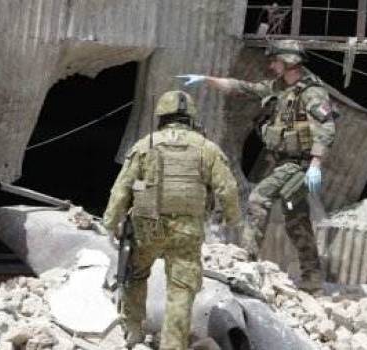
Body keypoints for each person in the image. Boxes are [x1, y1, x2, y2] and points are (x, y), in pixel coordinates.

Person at [176, 39, 337, 293]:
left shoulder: (311, 92)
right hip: (284, 162)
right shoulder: (280, 87)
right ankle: (313, 277)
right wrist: (207, 79)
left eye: (275, 61)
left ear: (288, 62)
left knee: (258, 198)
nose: (272, 65)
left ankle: (245, 259)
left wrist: (316, 164)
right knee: (296, 218)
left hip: (299, 164)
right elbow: (244, 88)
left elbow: (327, 128)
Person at [101, 91, 241, 349]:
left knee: (136, 273)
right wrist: (233, 220)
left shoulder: (145, 145)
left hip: (147, 228)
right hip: (186, 232)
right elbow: (227, 189)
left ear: (161, 117)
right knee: (181, 289)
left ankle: (133, 331)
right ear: (191, 119)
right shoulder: (206, 149)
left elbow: (122, 188)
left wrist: (110, 223)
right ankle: (172, 344)